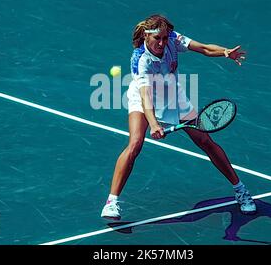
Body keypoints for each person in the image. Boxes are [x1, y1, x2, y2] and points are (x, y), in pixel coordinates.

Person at [101, 14, 256, 220]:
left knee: (205, 140)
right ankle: (112, 202)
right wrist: (154, 124)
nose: (162, 43)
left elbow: (204, 48)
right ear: (147, 37)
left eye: (165, 38)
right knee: (135, 143)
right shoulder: (140, 59)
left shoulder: (174, 39)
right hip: (144, 98)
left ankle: (241, 190)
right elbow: (146, 98)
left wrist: (225, 52)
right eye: (158, 39)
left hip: (173, 95)